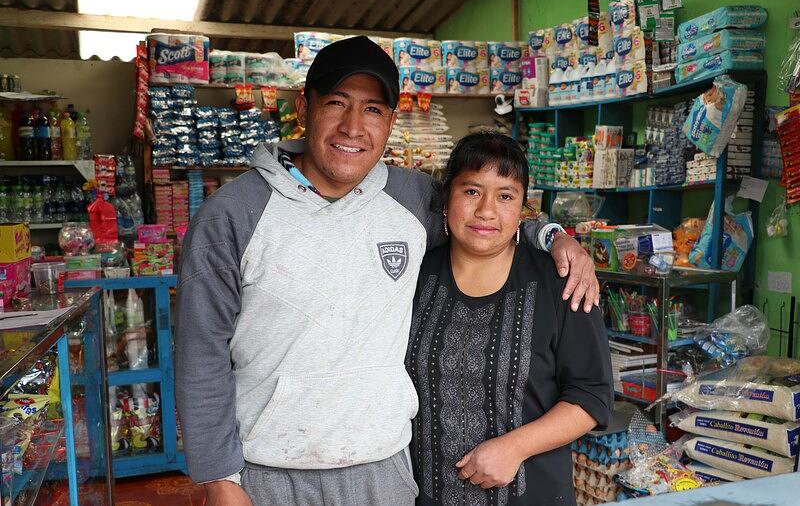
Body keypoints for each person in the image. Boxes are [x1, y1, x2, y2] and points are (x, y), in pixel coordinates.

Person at [175, 36, 599, 506]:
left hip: (386, 472)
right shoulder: (231, 215)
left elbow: (485, 214)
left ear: (391, 121)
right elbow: (201, 351)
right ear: (304, 106)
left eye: (373, 109)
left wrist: (557, 237)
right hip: (267, 473)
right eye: (337, 103)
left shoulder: (411, 198)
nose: (353, 127)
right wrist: (219, 479)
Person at [406, 131, 613, 506]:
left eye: (505, 196)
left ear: (522, 208)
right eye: (471, 191)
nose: (486, 210)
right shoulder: (414, 277)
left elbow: (591, 394)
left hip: (532, 494)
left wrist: (514, 448)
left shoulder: (562, 281)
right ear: (447, 198)